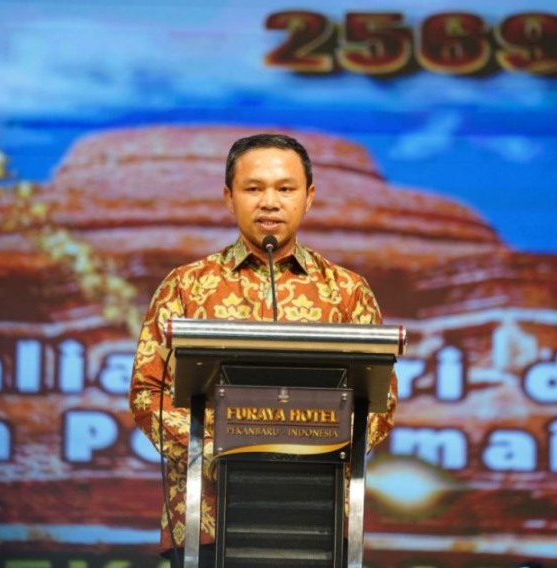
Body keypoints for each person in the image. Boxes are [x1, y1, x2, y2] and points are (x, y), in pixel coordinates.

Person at [128, 133, 398, 565]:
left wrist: (319, 452)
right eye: (253, 188)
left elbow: (381, 403)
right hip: (207, 515)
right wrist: (216, 452)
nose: (270, 202)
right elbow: (148, 393)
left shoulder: (347, 292)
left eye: (285, 188)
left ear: (309, 198)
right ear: (229, 198)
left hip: (317, 514)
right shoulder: (186, 287)